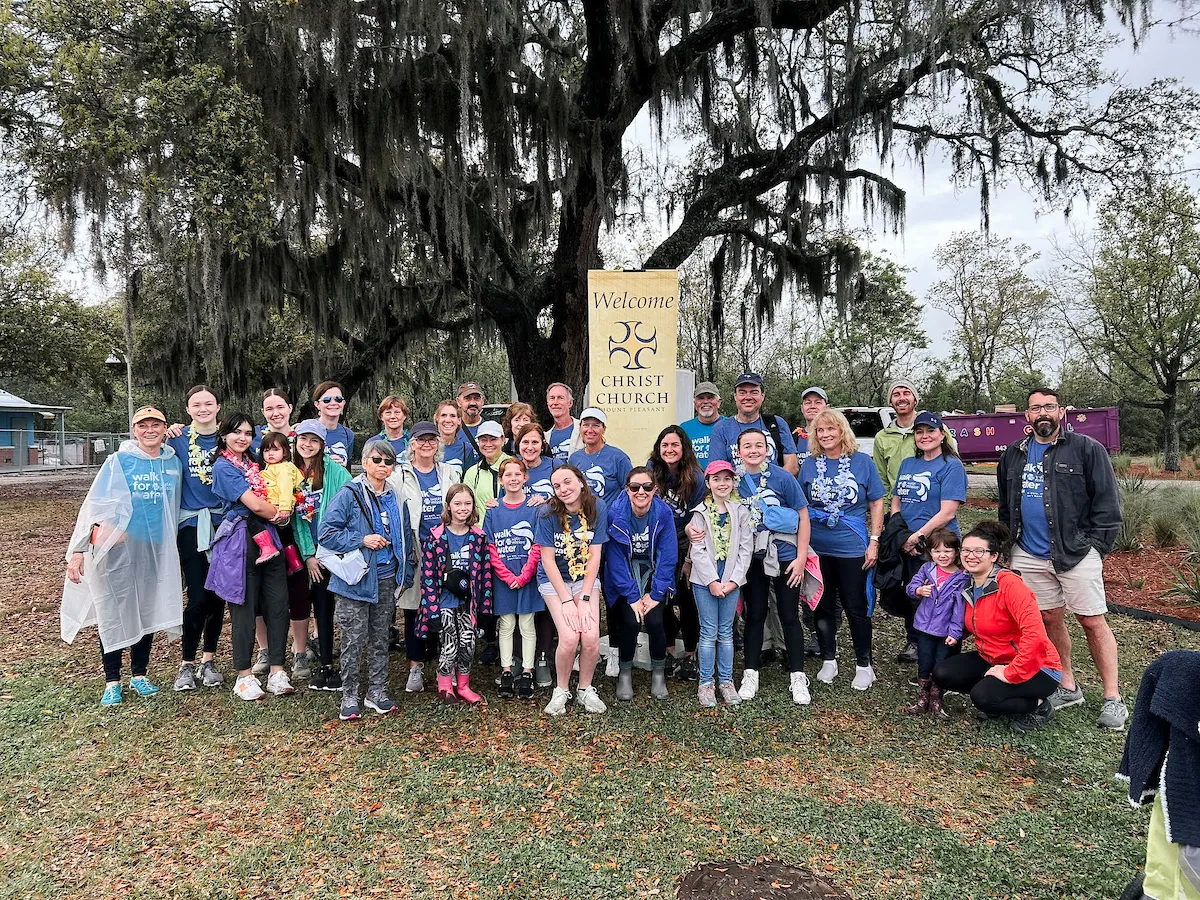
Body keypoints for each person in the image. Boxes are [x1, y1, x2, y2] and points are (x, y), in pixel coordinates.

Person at [997, 386, 1126, 730]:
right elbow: (1005, 506)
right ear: (1026, 416)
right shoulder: (1013, 454)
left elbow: (1108, 505)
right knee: (1049, 618)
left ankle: (1113, 697)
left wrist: (1096, 548)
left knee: (1092, 621)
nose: (1043, 413)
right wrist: (1010, 547)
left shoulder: (1086, 449)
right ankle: (1067, 685)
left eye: (1049, 407)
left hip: (1076, 552)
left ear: (1061, 412)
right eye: (1035, 408)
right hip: (1028, 552)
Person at [62, 405, 183, 706]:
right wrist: (79, 551)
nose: (149, 430)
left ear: (165, 428)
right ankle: (112, 680)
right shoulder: (119, 461)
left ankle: (139, 674)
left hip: (156, 548)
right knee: (114, 610)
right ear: (134, 430)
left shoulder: (172, 462)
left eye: (156, 424)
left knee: (146, 610)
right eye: (143, 425)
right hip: (118, 550)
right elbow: (94, 506)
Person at [932, 521, 1063, 732]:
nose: (970, 556)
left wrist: (1011, 673)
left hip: (1038, 667)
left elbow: (1036, 636)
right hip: (993, 658)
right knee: (943, 673)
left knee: (983, 697)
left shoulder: (1010, 585)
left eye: (979, 551)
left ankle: (1039, 706)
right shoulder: (968, 583)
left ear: (993, 556)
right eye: (966, 550)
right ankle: (999, 692)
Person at [318, 439, 415, 720]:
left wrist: (405, 573)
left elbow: (406, 535)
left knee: (380, 637)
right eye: (376, 460)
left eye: (388, 462)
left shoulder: (396, 496)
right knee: (352, 638)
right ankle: (350, 695)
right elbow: (326, 533)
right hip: (356, 581)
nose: (382, 466)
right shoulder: (349, 494)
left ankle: (377, 691)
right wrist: (361, 539)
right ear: (365, 461)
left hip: (387, 578)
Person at [206, 413, 294, 701]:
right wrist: (282, 512)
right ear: (224, 436)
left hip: (271, 538)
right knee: (244, 607)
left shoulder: (254, 463)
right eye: (236, 433)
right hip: (241, 540)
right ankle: (244, 675)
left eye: (247, 433)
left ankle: (277, 670)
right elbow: (255, 504)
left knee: (278, 603)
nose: (242, 438)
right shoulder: (224, 467)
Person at [723, 429, 813, 704]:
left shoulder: (783, 478)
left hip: (785, 556)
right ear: (738, 451)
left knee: (788, 615)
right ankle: (750, 673)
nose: (753, 450)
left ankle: (798, 677)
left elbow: (803, 517)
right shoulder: (733, 482)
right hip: (751, 558)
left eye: (758, 445)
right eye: (747, 445)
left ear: (767, 449)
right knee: (755, 614)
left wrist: (800, 558)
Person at [798, 409, 885, 691]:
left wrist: (874, 540)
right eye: (820, 431)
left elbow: (876, 502)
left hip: (852, 545)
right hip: (818, 545)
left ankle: (864, 665)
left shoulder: (862, 463)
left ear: (842, 431)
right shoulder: (810, 465)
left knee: (855, 606)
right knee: (823, 604)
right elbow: (801, 504)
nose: (825, 435)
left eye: (831, 429)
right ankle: (828, 659)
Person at [891, 411, 968, 665]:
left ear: (941, 434)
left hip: (938, 544)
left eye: (930, 431)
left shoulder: (951, 465)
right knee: (915, 594)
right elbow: (896, 501)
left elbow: (948, 511)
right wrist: (900, 533)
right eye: (919, 432)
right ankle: (916, 641)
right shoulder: (908, 464)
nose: (925, 436)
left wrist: (917, 537)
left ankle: (946, 649)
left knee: (943, 597)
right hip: (909, 541)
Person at [390, 420, 461, 694]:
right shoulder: (400, 475)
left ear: (438, 444)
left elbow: (460, 504)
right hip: (416, 551)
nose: (427, 444)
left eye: (432, 439)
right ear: (413, 444)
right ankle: (415, 667)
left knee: (448, 608)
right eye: (421, 440)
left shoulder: (450, 473)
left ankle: (447, 663)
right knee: (414, 608)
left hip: (447, 550)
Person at [166, 386, 227, 692]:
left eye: (209, 403)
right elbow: (146, 446)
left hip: (225, 525)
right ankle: (186, 664)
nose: (203, 409)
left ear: (218, 407)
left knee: (217, 596)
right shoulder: (176, 438)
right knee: (198, 596)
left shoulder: (229, 437)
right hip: (190, 524)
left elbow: (269, 440)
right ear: (188, 409)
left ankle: (209, 660)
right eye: (196, 404)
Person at [535, 464, 609, 715]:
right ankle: (561, 690)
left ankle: (585, 689)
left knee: (589, 636)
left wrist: (585, 598)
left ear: (581, 481)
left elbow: (595, 556)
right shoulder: (547, 513)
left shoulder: (597, 508)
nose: (563, 489)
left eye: (567, 482)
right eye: (557, 486)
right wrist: (567, 601)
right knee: (568, 636)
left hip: (585, 579)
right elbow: (547, 561)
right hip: (554, 581)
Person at [286, 419, 352, 690]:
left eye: (314, 440)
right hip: (299, 550)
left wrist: (324, 552)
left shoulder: (336, 473)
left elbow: (348, 508)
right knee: (300, 604)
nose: (307, 445)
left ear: (323, 444)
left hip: (331, 551)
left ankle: (327, 663)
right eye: (303, 439)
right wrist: (309, 554)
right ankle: (295, 656)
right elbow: (296, 519)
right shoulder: (289, 473)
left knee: (325, 606)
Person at [602, 467, 679, 701]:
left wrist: (655, 594)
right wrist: (633, 596)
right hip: (625, 576)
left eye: (647, 486)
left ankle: (658, 672)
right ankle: (625, 672)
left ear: (655, 489)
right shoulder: (615, 514)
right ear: (627, 490)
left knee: (655, 620)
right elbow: (614, 560)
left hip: (653, 574)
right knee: (631, 620)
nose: (641, 492)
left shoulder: (663, 513)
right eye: (635, 487)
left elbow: (668, 556)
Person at [417, 484, 493, 705]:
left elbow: (485, 575)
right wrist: (431, 611)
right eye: (457, 504)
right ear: (448, 506)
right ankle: (444, 685)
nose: (462, 508)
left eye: (467, 503)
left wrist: (485, 608)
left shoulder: (478, 538)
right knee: (449, 644)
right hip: (443, 602)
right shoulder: (435, 537)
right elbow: (428, 576)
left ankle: (463, 685)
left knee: (468, 643)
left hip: (468, 603)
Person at [688, 460, 754, 708]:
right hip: (705, 578)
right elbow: (698, 551)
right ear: (708, 483)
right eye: (716, 479)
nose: (722, 483)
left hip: (731, 578)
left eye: (727, 479)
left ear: (733, 482)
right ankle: (706, 683)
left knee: (726, 632)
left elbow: (745, 550)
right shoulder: (700, 513)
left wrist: (733, 581)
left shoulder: (741, 512)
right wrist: (712, 581)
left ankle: (726, 681)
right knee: (708, 632)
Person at [647, 425, 706, 682]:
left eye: (675, 445)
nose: (669, 450)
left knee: (686, 597)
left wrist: (690, 560)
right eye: (665, 446)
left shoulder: (695, 476)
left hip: (685, 543)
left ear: (683, 449)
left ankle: (691, 654)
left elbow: (699, 519)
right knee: (662, 599)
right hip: (659, 544)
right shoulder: (652, 471)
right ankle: (669, 651)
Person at [485, 458, 543, 700]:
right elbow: (490, 546)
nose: (513, 479)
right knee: (507, 624)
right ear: (501, 480)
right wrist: (507, 576)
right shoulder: (493, 509)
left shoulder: (534, 508)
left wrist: (525, 574)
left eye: (518, 474)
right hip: (504, 578)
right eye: (507, 475)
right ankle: (507, 670)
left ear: (525, 477)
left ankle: (528, 671)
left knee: (527, 624)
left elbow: (539, 544)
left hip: (527, 576)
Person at [904, 528, 969, 717]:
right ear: (930, 553)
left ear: (956, 551)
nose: (942, 555)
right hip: (924, 628)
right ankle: (923, 697)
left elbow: (960, 610)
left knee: (940, 665)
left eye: (947, 551)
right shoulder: (927, 569)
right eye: (937, 551)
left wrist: (955, 633)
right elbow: (911, 587)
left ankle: (937, 697)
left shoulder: (962, 578)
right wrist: (918, 590)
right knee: (924, 663)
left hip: (945, 632)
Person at [872, 378, 957, 503]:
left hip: (932, 506)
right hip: (897, 508)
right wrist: (887, 511)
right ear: (890, 402)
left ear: (915, 399)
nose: (901, 398)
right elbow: (881, 479)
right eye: (896, 395)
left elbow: (952, 465)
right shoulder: (882, 437)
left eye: (906, 393)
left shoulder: (937, 429)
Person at [708, 372, 799, 474]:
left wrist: (774, 486)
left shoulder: (776, 423)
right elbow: (717, 470)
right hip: (736, 488)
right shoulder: (722, 428)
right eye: (742, 392)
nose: (748, 397)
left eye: (754, 392)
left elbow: (792, 465)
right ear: (735, 396)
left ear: (762, 396)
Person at [568, 407, 632, 505]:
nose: (590, 430)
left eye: (595, 425)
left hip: (610, 519)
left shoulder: (619, 458)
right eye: (586, 425)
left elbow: (630, 491)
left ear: (604, 429)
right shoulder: (574, 459)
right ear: (580, 427)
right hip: (583, 518)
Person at [257, 431, 304, 561]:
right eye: (266, 450)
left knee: (255, 521)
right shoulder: (270, 468)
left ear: (284, 452)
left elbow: (286, 488)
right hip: (273, 504)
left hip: (279, 506)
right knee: (283, 535)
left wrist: (284, 508)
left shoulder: (283, 468)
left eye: (275, 449)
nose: (270, 453)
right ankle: (293, 562)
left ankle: (267, 548)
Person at [462, 420, 513, 520]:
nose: (488, 444)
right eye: (484, 440)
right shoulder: (472, 473)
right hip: (482, 532)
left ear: (503, 440)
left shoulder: (515, 466)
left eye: (493, 439)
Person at [680, 382, 723, 468]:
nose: (706, 402)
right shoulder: (684, 428)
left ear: (718, 402)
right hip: (693, 480)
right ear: (695, 403)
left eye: (710, 398)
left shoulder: (729, 425)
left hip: (722, 480)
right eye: (701, 398)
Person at [312, 381, 355, 468]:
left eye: (338, 399)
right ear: (317, 405)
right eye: (327, 400)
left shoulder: (348, 435)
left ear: (343, 403)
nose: (333, 403)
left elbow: (348, 469)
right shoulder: (307, 430)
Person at [435, 399, 478, 480]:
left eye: (453, 416)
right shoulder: (428, 447)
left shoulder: (466, 449)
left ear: (459, 420)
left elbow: (469, 481)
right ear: (437, 418)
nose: (448, 420)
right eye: (443, 415)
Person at [516, 423, 556, 503]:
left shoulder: (554, 465)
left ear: (542, 445)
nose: (530, 447)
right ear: (518, 444)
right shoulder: (512, 468)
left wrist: (546, 503)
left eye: (534, 442)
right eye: (525, 442)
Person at [546, 382, 584, 463]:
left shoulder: (584, 429)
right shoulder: (545, 437)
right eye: (552, 398)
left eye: (560, 398)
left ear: (570, 403)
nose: (555, 403)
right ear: (548, 404)